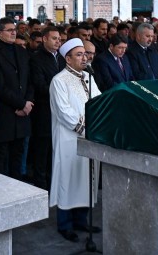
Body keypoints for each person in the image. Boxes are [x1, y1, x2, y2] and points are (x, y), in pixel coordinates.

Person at [50, 38, 101, 243]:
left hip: (90, 137)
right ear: (68, 59)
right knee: (68, 179)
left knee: (86, 179)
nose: (84, 58)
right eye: (79, 55)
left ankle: (81, 220)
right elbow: (64, 112)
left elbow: (99, 101)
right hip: (69, 139)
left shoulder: (89, 77)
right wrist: (87, 128)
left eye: (85, 54)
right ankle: (65, 225)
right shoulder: (59, 80)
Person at [0, 18, 33, 179]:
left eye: (14, 29)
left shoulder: (21, 51)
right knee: (1, 159)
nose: (13, 33)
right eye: (9, 30)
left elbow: (29, 80)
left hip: (23, 114)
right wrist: (20, 104)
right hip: (5, 114)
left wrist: (28, 103)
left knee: (18, 158)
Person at [28, 26, 64, 189]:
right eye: (54, 38)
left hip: (60, 112)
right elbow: (39, 85)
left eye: (59, 39)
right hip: (44, 112)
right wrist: (62, 91)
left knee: (55, 153)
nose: (58, 42)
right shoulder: (36, 58)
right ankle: (42, 187)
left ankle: (54, 185)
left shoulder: (62, 58)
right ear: (44, 39)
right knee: (42, 152)